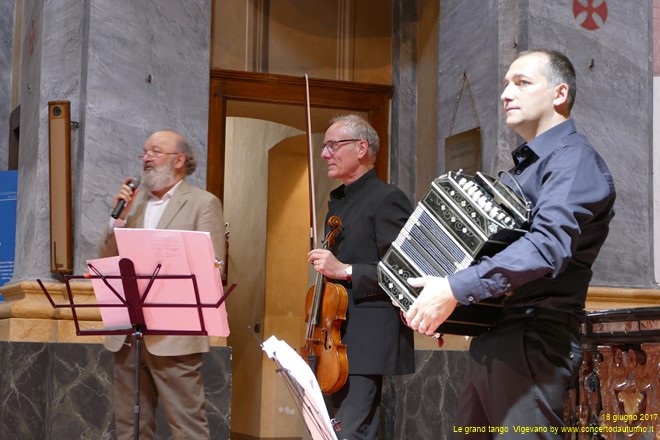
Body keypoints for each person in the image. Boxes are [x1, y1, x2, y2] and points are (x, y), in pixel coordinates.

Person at [405, 49, 616, 437]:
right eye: (505, 84)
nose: (505, 93)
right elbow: (495, 251)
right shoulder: (527, 168)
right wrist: (452, 307)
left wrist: (454, 289)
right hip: (497, 336)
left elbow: (546, 247)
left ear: (559, 93)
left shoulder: (574, 160)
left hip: (532, 341)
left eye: (522, 82)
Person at [98, 130, 225, 440]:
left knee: (188, 427)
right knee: (131, 427)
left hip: (175, 334)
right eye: (145, 152)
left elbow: (215, 268)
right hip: (128, 331)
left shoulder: (202, 203)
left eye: (155, 151)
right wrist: (118, 221)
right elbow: (105, 260)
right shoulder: (134, 204)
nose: (146, 158)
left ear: (179, 160)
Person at [307, 114, 415, 439]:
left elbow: (405, 271)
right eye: (324, 147)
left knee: (350, 434)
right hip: (333, 342)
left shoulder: (387, 198)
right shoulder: (339, 202)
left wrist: (344, 270)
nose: (325, 154)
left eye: (333, 145)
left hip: (365, 343)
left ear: (361, 148)